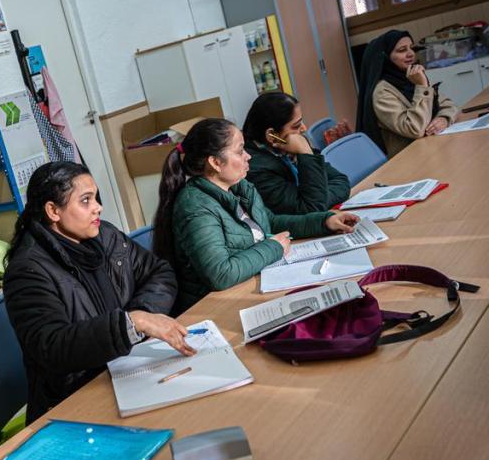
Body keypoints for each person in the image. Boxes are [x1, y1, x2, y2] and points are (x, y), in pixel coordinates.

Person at [2, 161, 190, 424]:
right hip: (76, 397)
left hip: (128, 368)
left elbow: (159, 272)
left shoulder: (105, 235)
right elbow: (52, 346)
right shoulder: (28, 270)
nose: (98, 207)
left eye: (96, 198)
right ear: (53, 211)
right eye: (86, 200)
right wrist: (130, 324)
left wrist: (142, 317)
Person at [153, 118, 360, 315]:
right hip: (217, 307)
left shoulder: (238, 186)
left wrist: (324, 221)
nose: (248, 156)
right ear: (215, 162)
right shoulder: (195, 207)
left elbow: (269, 223)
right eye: (240, 151)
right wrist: (274, 248)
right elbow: (221, 274)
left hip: (251, 285)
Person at [356, 30, 459, 157]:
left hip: (430, 148)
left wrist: (444, 118)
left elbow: (448, 104)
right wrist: (422, 86)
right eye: (402, 50)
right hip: (409, 158)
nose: (411, 54)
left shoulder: (409, 77)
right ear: (386, 57)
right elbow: (415, 129)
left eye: (412, 48)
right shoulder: (381, 92)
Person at [243, 92, 350, 214]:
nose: (304, 128)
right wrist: (306, 154)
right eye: (296, 126)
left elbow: (340, 180)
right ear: (272, 135)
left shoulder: (288, 148)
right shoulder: (257, 170)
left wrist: (320, 200)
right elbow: (310, 208)